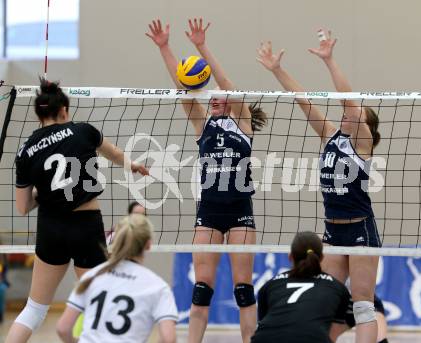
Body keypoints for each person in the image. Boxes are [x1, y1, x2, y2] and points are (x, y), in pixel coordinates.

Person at [146, 18, 267, 343]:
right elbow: (182, 87)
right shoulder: (204, 125)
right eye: (210, 96)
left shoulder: (242, 123)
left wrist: (202, 48)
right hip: (209, 213)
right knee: (202, 289)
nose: (214, 98)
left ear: (228, 102)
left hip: (241, 211)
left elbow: (227, 84)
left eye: (219, 96)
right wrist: (165, 48)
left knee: (244, 290)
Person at [257, 29, 381, 343]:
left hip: (360, 231)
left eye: (354, 115)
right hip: (332, 232)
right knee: (328, 304)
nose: (346, 114)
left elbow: (350, 103)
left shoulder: (362, 144)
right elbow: (303, 101)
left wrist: (329, 61)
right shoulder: (330, 135)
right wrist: (277, 70)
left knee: (363, 306)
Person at [6, 79, 148, 343]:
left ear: (39, 114)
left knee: (34, 311)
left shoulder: (25, 151)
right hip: (86, 226)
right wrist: (134, 166)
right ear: (64, 111)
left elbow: (23, 206)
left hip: (51, 228)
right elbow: (115, 154)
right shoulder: (84, 131)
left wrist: (43, 191)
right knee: (99, 305)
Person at [56, 214, 177, 343]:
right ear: (148, 244)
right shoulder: (158, 286)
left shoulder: (92, 275)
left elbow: (63, 329)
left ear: (117, 240)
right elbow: (168, 339)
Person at [251, 231, 351, 343]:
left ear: (290, 256)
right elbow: (335, 329)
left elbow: (264, 323)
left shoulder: (269, 285)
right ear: (321, 258)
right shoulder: (337, 287)